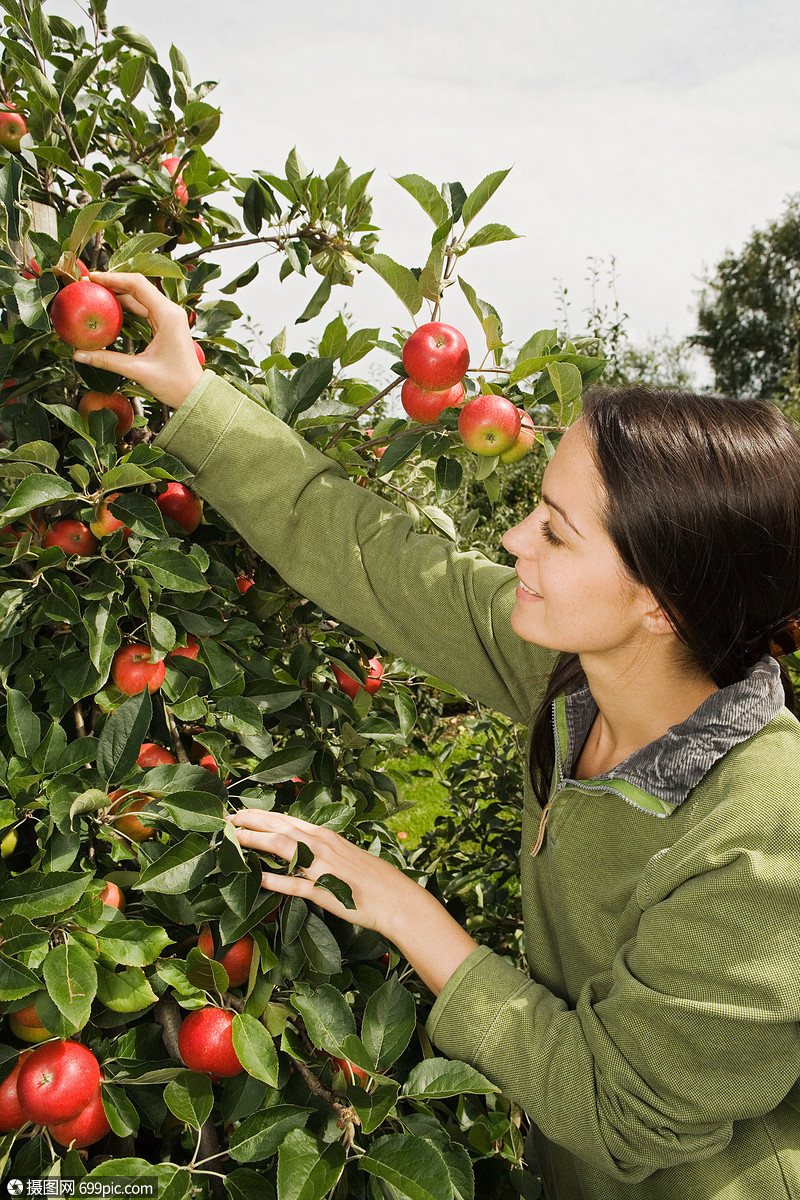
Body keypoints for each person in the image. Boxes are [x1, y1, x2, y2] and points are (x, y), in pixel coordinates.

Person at [75, 273, 800, 1200]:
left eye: (557, 532)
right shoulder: (578, 673)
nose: (511, 540)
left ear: (659, 602)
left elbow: (624, 1116)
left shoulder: (765, 824)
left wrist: (404, 908)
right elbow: (375, 556)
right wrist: (197, 396)